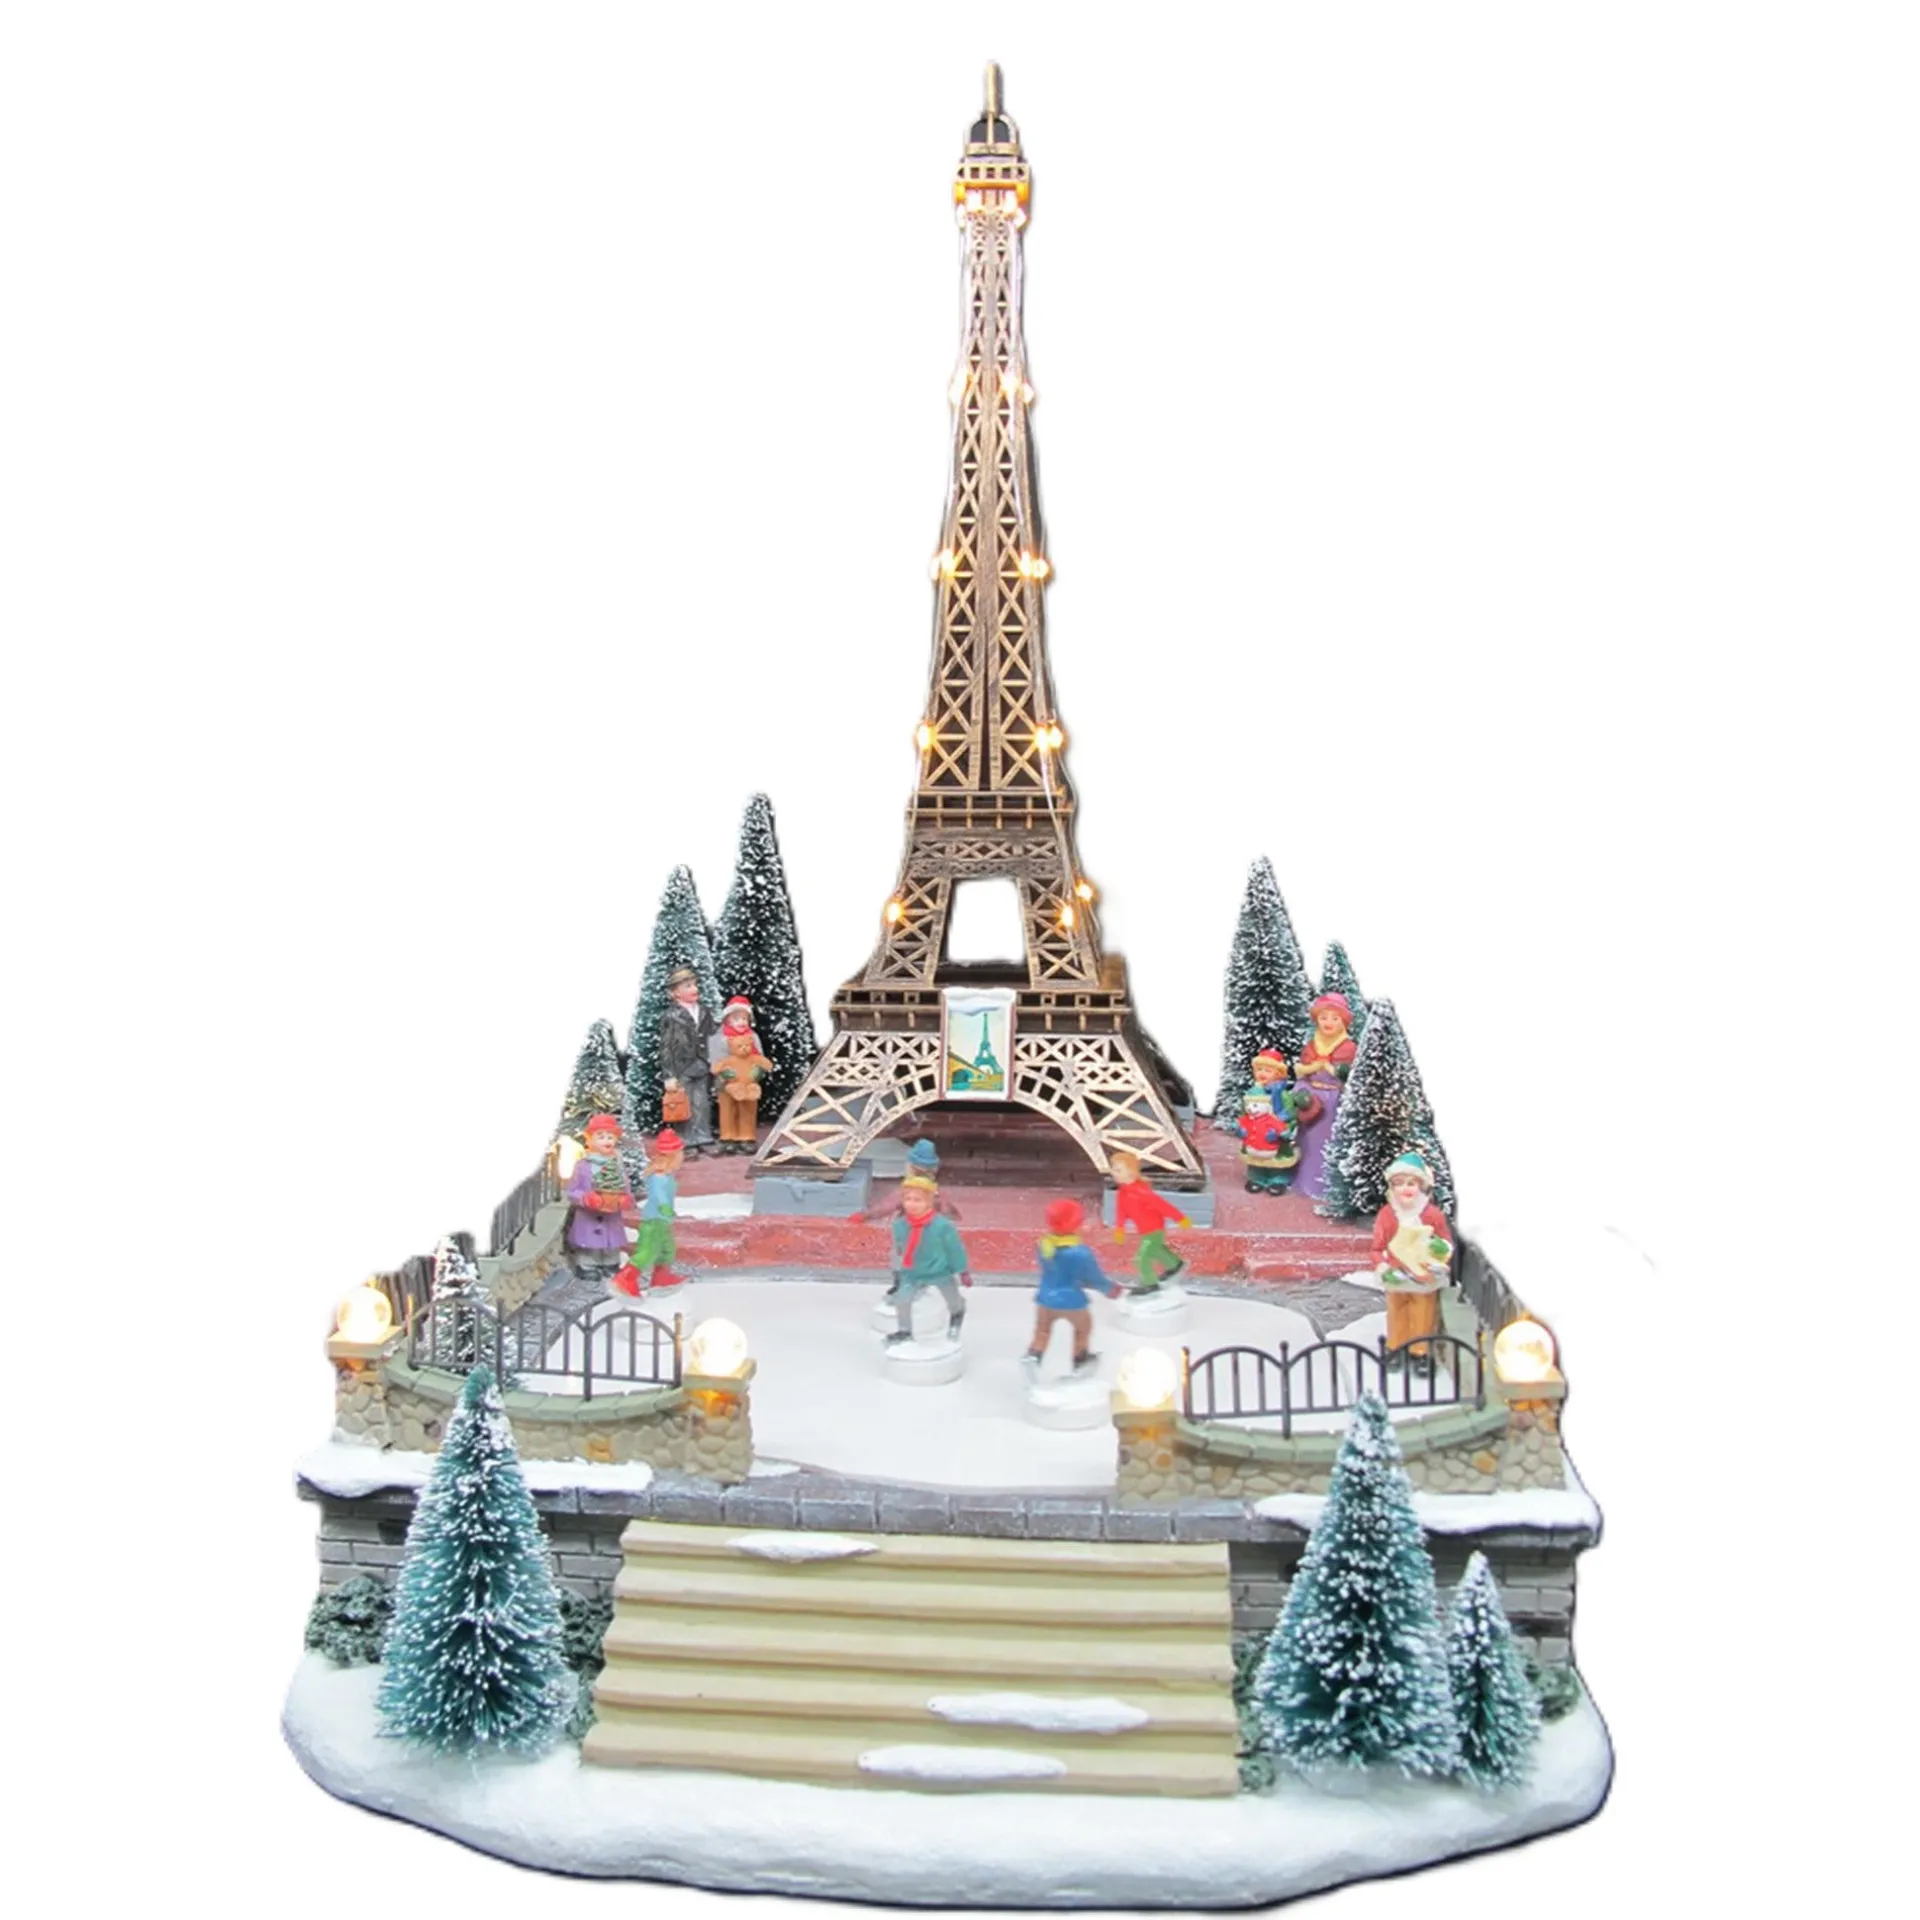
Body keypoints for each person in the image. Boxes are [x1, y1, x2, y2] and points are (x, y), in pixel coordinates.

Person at [1370, 1150, 1453, 1375]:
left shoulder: (1432, 1215)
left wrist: (1440, 1249)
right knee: (1397, 1311)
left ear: (1420, 1186)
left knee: (1423, 1312)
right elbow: (1377, 1247)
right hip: (1397, 1272)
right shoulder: (1387, 1215)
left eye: (1411, 1183)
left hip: (1424, 1273)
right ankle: (1395, 1347)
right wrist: (1383, 1266)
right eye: (1399, 1184)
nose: (1405, 1189)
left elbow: (1445, 1241)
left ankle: (1420, 1351)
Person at [1026, 1199, 1124, 1374]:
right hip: (1072, 1301)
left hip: (1046, 1298)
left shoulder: (1044, 1245)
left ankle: (1033, 1357)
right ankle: (1080, 1359)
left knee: (1042, 1332)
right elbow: (1094, 1277)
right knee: (1083, 1328)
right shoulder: (1080, 1252)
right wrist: (1109, 1289)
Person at [886, 1175, 970, 1347]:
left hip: (940, 1271)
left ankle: (957, 1315)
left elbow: (954, 1249)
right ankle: (905, 1331)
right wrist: (898, 1271)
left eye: (917, 1200)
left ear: (929, 1202)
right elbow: (899, 1249)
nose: (911, 1204)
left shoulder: (942, 1226)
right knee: (902, 1299)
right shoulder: (899, 1225)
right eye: (908, 1199)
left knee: (953, 1300)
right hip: (913, 1272)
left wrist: (962, 1271)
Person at [1295, 994, 1358, 1199]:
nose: (1328, 1023)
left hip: (1333, 1100)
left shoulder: (1348, 1047)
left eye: (1334, 1018)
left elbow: (1350, 1075)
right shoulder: (1312, 1045)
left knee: (1326, 1142)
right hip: (1312, 1097)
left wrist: (1331, 1069)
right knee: (1307, 1141)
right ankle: (1302, 1180)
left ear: (1343, 1021)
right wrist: (1304, 1083)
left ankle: (1324, 1185)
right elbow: (1302, 1071)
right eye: (1323, 1017)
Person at [613, 1128, 688, 1294]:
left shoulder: (666, 1176)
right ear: (671, 1156)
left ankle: (661, 1278)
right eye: (680, 1154)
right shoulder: (659, 1177)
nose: (682, 1158)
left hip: (663, 1220)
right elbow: (659, 1197)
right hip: (655, 1220)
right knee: (647, 1250)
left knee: (667, 1250)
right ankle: (626, 1278)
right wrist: (667, 1210)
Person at [564, 1114, 637, 1279]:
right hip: (589, 1214)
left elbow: (625, 1187)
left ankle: (610, 1263)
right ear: (590, 1139)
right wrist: (585, 1198)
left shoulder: (617, 1164)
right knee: (590, 1241)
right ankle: (588, 1264)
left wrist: (626, 1199)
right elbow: (572, 1191)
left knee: (611, 1239)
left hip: (611, 1214)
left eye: (610, 1137)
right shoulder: (583, 1166)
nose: (606, 1141)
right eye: (601, 1136)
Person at [1107, 1148, 1191, 1292]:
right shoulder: (1123, 1192)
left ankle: (1150, 1283)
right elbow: (1121, 1211)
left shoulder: (1141, 1192)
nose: (1113, 1173)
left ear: (1131, 1172)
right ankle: (1175, 1264)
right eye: (1113, 1169)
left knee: (1142, 1258)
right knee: (1157, 1249)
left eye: (1118, 1170)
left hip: (1154, 1229)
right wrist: (1120, 1228)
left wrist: (1180, 1218)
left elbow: (1162, 1205)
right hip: (1145, 1229)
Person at [659, 967, 717, 1155]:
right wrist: (669, 1075)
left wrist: (714, 1060)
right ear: (676, 992)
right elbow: (666, 1047)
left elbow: (712, 1037)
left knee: (702, 1102)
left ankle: (703, 1136)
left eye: (695, 985)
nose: (695, 989)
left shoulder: (704, 1012)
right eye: (688, 986)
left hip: (702, 1064)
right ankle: (686, 1140)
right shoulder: (671, 1016)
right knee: (683, 1103)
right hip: (682, 1067)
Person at [710, 1030, 773, 1154]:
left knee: (747, 1112)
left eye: (747, 1045)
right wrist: (725, 1073)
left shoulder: (753, 1053)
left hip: (749, 1087)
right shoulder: (721, 1042)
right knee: (727, 1112)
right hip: (729, 1086)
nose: (744, 1049)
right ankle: (728, 1137)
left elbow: (767, 1065)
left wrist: (759, 1071)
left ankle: (747, 1137)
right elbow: (715, 1067)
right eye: (739, 1046)